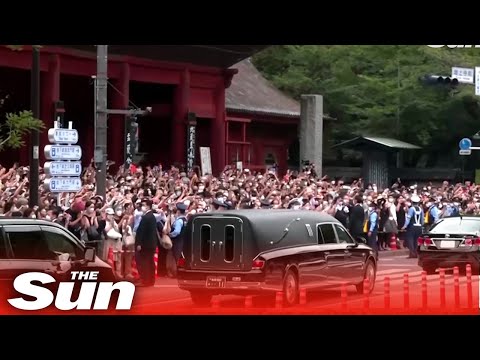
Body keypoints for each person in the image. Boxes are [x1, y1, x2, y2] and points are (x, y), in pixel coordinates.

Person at [135, 199, 158, 286]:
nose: (142, 207)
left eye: (143, 205)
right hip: (151, 243)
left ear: (148, 206)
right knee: (150, 262)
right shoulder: (151, 216)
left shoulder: (146, 217)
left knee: (145, 263)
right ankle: (150, 280)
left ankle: (145, 280)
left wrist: (139, 243)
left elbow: (141, 231)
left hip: (145, 244)